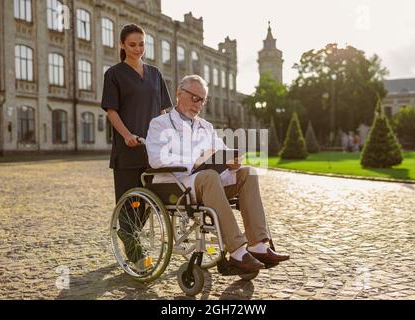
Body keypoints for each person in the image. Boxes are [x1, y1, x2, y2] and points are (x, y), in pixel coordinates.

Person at [146, 75, 290, 273]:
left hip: (209, 182)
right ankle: (238, 251)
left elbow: (221, 150)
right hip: (176, 183)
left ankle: (258, 245)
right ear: (179, 94)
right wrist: (194, 163)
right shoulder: (160, 123)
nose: (199, 104)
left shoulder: (206, 126)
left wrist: (232, 162)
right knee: (209, 176)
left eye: (203, 100)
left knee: (249, 173)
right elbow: (156, 159)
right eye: (195, 98)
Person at [101, 24, 172, 263]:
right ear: (122, 45)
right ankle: (135, 252)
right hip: (128, 149)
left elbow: (163, 110)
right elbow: (111, 110)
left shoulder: (155, 74)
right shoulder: (114, 74)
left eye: (141, 44)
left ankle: (128, 234)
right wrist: (126, 135)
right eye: (132, 44)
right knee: (129, 200)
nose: (138, 48)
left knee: (154, 198)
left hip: (153, 149)